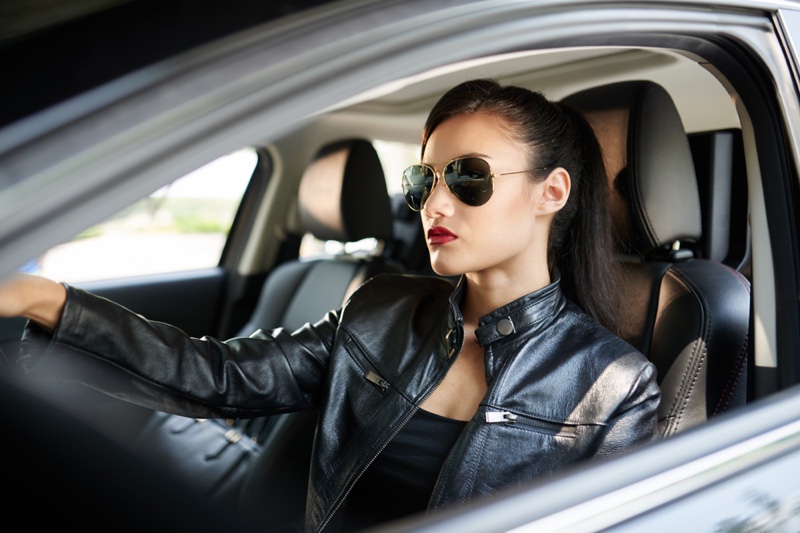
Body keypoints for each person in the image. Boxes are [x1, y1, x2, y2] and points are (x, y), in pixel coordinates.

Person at [0, 79, 660, 532]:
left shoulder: (613, 384)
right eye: (423, 179)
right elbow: (223, 377)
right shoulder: (383, 308)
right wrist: (40, 297)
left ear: (552, 192)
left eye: (467, 177)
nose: (434, 203)